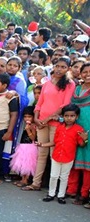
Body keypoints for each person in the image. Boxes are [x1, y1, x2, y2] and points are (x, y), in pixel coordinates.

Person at [23, 57, 76, 191]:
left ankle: (53, 187)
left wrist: (47, 119)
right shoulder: (47, 83)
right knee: (41, 153)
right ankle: (36, 183)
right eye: (57, 66)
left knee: (54, 155)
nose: (59, 69)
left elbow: (65, 104)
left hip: (56, 123)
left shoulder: (70, 84)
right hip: (41, 121)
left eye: (63, 67)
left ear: (68, 69)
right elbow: (39, 102)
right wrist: (36, 117)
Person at [40, 104, 88, 204]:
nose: (69, 118)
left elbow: (82, 145)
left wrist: (85, 139)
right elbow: (54, 142)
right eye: (66, 116)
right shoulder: (59, 127)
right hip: (56, 156)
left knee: (64, 177)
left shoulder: (79, 129)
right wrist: (43, 145)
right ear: (63, 116)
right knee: (53, 176)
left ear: (77, 117)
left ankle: (61, 195)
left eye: (72, 116)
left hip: (68, 157)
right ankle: (51, 193)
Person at [67, 62, 90, 205]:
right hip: (75, 127)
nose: (88, 74)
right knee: (73, 159)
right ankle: (71, 190)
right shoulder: (77, 89)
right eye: (85, 72)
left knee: (88, 164)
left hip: (88, 130)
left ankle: (84, 194)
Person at [10, 107, 38, 188]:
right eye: (25, 117)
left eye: (29, 117)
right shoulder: (26, 125)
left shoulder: (33, 126)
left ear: (33, 117)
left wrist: (28, 130)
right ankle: (22, 178)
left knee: (28, 164)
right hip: (23, 146)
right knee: (22, 163)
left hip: (30, 147)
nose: (27, 118)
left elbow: (33, 138)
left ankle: (26, 180)